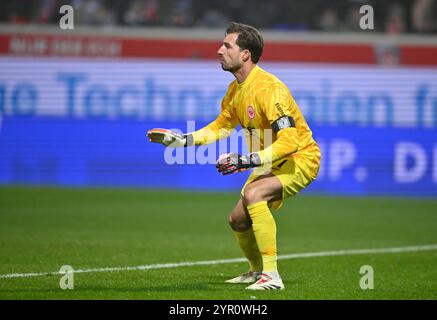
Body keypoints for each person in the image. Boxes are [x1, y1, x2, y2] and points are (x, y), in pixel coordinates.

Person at [147, 22, 321, 290]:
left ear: (245, 54)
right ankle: (255, 271)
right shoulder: (235, 91)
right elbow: (221, 126)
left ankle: (272, 276)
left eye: (227, 45)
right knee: (237, 220)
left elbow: (291, 141)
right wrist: (183, 140)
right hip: (270, 162)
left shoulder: (270, 89)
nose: (219, 50)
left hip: (301, 158)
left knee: (254, 195)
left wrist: (246, 160)